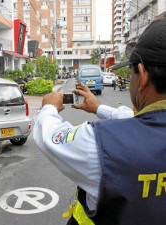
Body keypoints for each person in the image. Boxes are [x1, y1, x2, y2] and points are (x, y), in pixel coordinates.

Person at [33, 17, 166, 225]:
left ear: (143, 75)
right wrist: (97, 108)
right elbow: (136, 120)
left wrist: (49, 107)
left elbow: (50, 138)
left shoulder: (104, 143)